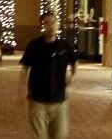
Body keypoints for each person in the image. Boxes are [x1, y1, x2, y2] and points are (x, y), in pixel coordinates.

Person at [19, 11, 76, 139]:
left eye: (53, 23)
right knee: (39, 136)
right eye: (46, 23)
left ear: (57, 25)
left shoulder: (64, 45)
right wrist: (21, 90)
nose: (50, 26)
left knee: (60, 135)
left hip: (59, 99)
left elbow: (74, 61)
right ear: (41, 26)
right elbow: (25, 67)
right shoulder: (34, 45)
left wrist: (71, 75)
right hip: (37, 99)